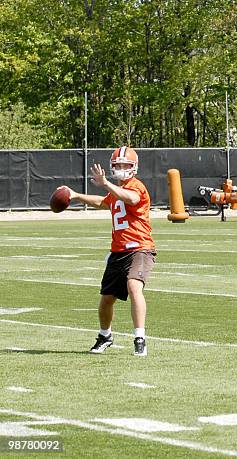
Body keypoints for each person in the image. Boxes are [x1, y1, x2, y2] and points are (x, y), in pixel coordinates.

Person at [60, 146, 156, 356]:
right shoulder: (115, 190)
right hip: (118, 251)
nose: (121, 168)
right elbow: (102, 203)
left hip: (140, 247)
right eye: (118, 165)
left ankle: (140, 338)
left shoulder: (136, 187)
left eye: (125, 165)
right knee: (106, 300)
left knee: (133, 286)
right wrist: (76, 195)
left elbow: (131, 199)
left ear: (134, 168)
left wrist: (106, 184)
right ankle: (105, 336)